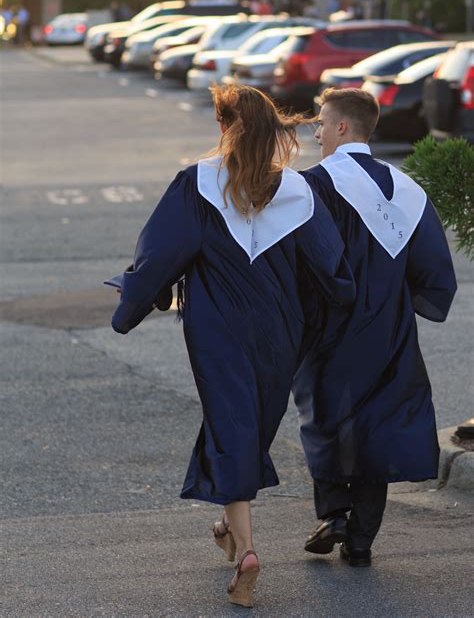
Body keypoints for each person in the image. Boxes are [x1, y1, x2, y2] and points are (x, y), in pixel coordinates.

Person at [111, 84, 355, 608]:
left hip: (217, 326)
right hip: (280, 330)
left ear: (224, 127)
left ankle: (246, 549)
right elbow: (332, 272)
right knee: (250, 422)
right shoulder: (298, 192)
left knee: (231, 422)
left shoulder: (196, 184)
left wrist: (130, 302)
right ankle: (228, 523)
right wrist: (331, 322)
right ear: (272, 131)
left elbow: (159, 256)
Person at [293, 87, 457, 568]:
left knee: (325, 420)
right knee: (378, 427)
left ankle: (335, 514)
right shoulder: (407, 190)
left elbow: (298, 261)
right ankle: (360, 540)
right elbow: (432, 272)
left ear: (343, 127)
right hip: (390, 331)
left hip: (330, 329)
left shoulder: (314, 186)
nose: (316, 131)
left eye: (321, 122)